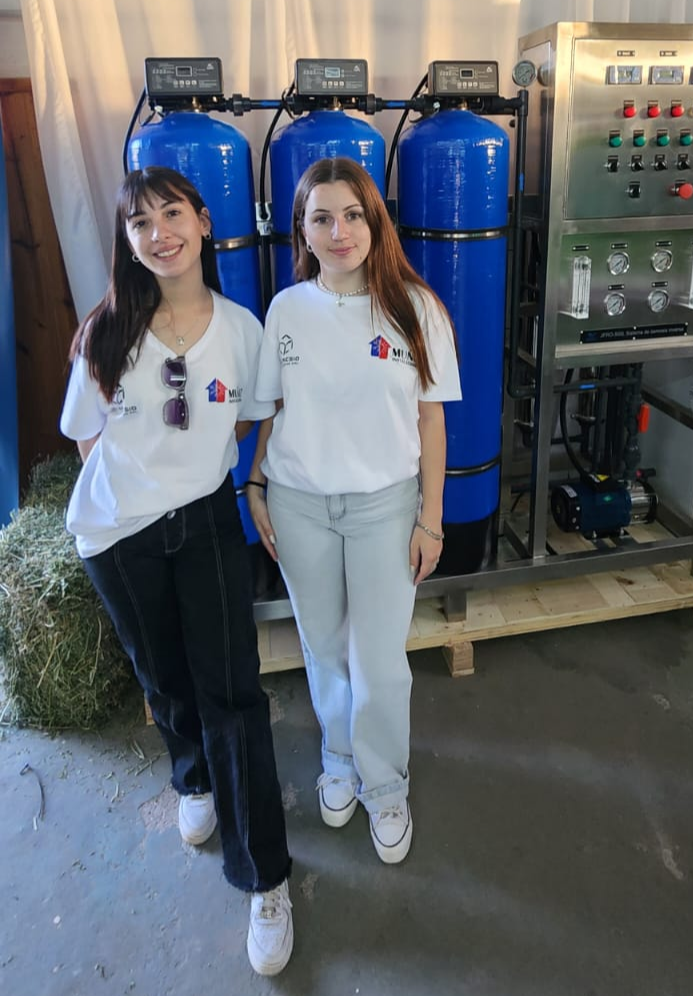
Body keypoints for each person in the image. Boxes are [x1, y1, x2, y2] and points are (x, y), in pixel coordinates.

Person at [59, 166, 293, 976]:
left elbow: (254, 419)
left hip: (204, 523)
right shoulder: (106, 331)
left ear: (202, 221)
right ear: (126, 242)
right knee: (162, 677)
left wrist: (220, 477)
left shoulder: (241, 328)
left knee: (233, 692)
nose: (159, 233)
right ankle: (191, 777)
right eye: (140, 223)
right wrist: (132, 494)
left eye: (171, 213)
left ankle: (264, 876)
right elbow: (86, 436)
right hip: (117, 534)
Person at [247, 157, 461, 865]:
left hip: (384, 508)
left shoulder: (415, 308)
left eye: (352, 215)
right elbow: (273, 408)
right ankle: (338, 757)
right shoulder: (286, 310)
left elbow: (431, 421)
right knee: (323, 646)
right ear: (301, 231)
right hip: (299, 504)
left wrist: (431, 519)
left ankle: (385, 783)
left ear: (375, 222)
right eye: (321, 218)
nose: (338, 232)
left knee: (378, 658)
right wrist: (255, 485)